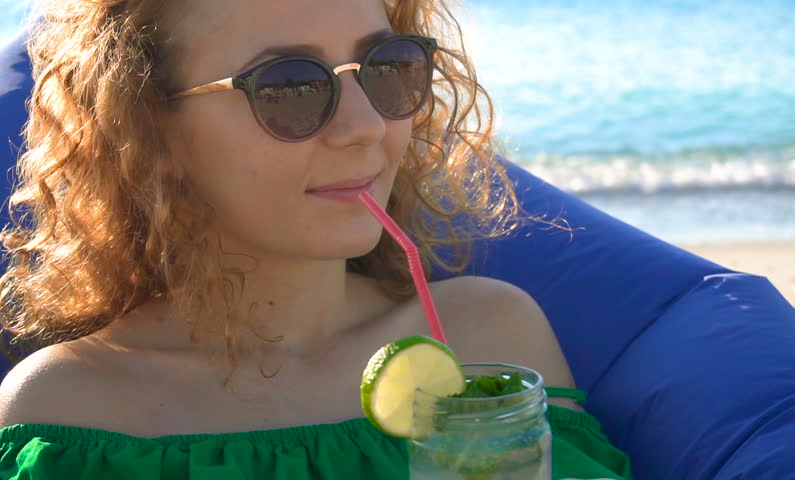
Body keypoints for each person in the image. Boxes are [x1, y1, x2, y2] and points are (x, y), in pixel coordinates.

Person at [0, 0, 632, 478]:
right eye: (289, 86)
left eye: (388, 69)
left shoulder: (491, 342)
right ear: (151, 129)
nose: (366, 127)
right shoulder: (67, 413)